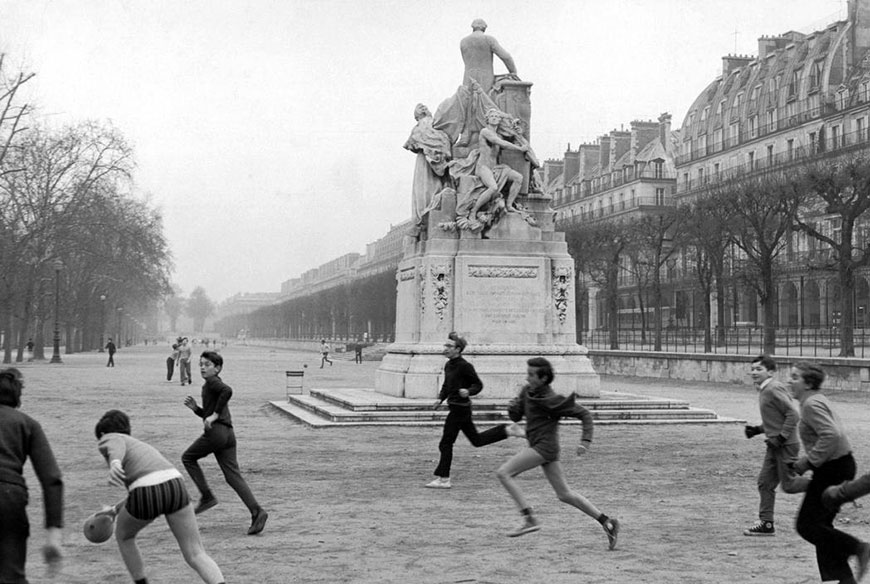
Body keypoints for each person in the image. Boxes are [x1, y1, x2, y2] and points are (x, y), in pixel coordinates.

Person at [494, 357, 619, 549]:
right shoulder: (527, 391)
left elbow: (585, 415)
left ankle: (529, 518)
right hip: (541, 447)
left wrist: (585, 441)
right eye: (527, 373)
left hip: (544, 448)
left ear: (543, 378)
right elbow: (517, 415)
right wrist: (512, 408)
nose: (527, 378)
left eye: (531, 375)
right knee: (565, 494)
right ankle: (606, 521)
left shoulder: (553, 400)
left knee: (504, 473)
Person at [95, 410, 225, 584]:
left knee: (124, 536)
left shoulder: (110, 437)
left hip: (146, 490)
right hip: (176, 484)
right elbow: (150, 484)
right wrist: (115, 510)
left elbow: (115, 444)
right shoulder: (140, 446)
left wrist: (115, 461)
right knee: (195, 553)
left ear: (103, 433)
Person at [789, 362, 870, 584]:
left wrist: (807, 462)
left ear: (808, 383)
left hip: (832, 469)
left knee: (807, 526)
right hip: (837, 465)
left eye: (795, 377)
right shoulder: (815, 400)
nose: (790, 381)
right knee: (822, 528)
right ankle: (841, 579)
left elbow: (831, 435)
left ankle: (859, 548)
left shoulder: (811, 404)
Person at [182, 351, 268, 535]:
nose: (203, 368)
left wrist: (213, 415)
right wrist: (197, 410)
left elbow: (227, 391)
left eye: (207, 365)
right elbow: (211, 412)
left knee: (188, 458)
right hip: (228, 434)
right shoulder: (210, 385)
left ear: (217, 368)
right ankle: (257, 511)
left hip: (217, 434)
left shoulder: (214, 383)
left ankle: (206, 497)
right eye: (201, 364)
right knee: (232, 476)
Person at [426, 332, 519, 489]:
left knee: (446, 443)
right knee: (476, 440)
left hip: (460, 410)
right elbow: (446, 385)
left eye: (449, 346)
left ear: (458, 349)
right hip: (457, 408)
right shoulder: (449, 365)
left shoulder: (465, 366)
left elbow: (478, 384)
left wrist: (469, 391)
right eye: (445, 345)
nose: (445, 348)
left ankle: (444, 478)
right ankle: (507, 430)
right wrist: (440, 399)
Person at [0, 368, 63, 583]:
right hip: (9, 498)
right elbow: (52, 479)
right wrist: (53, 534)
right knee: (11, 575)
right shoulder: (28, 424)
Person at [742, 354, 809, 536]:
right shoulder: (765, 390)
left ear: (770, 372)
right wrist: (757, 430)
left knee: (789, 484)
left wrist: (781, 438)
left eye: (759, 369)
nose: (754, 372)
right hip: (774, 445)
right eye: (753, 368)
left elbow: (793, 415)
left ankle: (825, 485)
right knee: (765, 483)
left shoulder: (773, 389)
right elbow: (776, 421)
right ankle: (767, 524)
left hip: (785, 445)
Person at [460, 18, 517, 93]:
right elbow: (506, 57)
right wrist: (513, 72)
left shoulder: (463, 41)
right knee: (486, 100)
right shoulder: (488, 39)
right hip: (485, 77)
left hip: (468, 78)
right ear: (484, 28)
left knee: (468, 101)